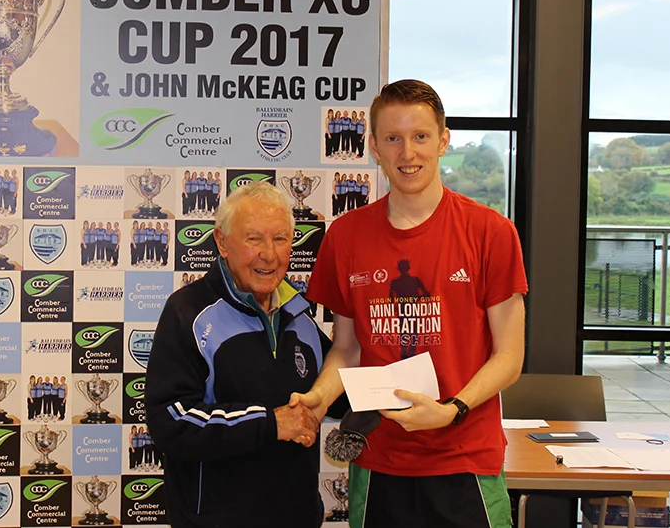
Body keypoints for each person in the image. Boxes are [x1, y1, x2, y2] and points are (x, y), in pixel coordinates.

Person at [294, 79, 528, 528]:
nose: (408, 153)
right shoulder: (346, 236)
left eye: (420, 137)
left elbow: (510, 357)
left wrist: (452, 409)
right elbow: (348, 348)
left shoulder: (491, 233)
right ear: (374, 147)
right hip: (381, 460)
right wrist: (319, 399)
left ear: (443, 140)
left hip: (465, 460)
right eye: (393, 139)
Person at [146, 181, 344, 528]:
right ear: (222, 242)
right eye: (254, 239)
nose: (269, 253)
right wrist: (269, 424)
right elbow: (170, 422)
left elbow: (337, 397)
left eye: (281, 239)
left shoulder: (299, 316)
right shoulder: (189, 313)